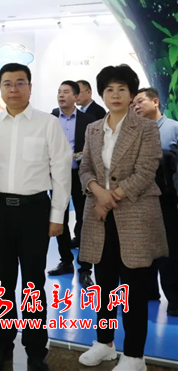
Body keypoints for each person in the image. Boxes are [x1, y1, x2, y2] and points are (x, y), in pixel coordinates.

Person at [0, 63, 71, 371]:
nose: (13, 89)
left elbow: (61, 171)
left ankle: (35, 348)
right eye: (7, 83)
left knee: (33, 282)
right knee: (2, 281)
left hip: (34, 211)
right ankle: (2, 345)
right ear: (0, 88)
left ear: (30, 86)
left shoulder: (47, 123)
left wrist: (58, 215)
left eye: (20, 82)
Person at [78, 65, 168, 371]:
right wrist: (97, 192)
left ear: (131, 94)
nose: (115, 95)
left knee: (133, 289)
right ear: (102, 94)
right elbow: (85, 168)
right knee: (103, 287)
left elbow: (146, 172)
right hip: (99, 220)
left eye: (121, 90)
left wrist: (110, 198)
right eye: (109, 90)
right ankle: (104, 344)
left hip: (135, 218)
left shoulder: (145, 128)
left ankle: (134, 356)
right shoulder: (93, 129)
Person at [133, 87, 178, 316]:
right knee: (143, 248)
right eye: (134, 104)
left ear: (156, 102)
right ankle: (149, 291)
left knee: (168, 251)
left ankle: (175, 298)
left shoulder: (174, 129)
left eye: (140, 101)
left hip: (167, 200)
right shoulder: (135, 133)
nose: (136, 107)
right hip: (139, 201)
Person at [49, 80, 96, 288]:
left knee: (84, 220)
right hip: (56, 176)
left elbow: (94, 149)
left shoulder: (89, 120)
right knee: (59, 217)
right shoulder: (50, 119)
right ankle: (66, 261)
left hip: (81, 176)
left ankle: (85, 268)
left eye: (66, 92)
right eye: (59, 91)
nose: (61, 95)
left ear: (76, 97)